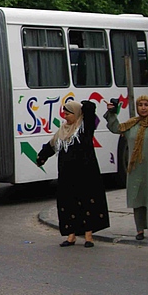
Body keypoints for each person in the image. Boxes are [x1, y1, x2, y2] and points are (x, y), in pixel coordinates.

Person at [36, 99, 109, 247]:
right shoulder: (62, 130)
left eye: (68, 113)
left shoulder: (84, 128)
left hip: (85, 174)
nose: (65, 116)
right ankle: (71, 236)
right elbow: (52, 145)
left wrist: (86, 105)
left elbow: (90, 111)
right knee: (69, 203)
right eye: (64, 113)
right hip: (67, 175)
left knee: (87, 202)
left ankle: (88, 236)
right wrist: (42, 157)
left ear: (76, 114)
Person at [105, 95, 148, 242]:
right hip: (135, 168)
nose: (143, 108)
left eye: (146, 105)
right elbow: (116, 128)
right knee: (138, 198)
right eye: (140, 105)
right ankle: (140, 229)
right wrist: (112, 113)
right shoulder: (132, 124)